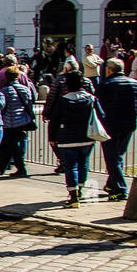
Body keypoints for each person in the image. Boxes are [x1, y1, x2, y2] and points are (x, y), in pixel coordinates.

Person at [46, 70, 106, 208]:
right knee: (83, 163)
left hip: (67, 138)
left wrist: (52, 137)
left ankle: (73, 195)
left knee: (70, 166)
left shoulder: (63, 100)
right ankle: (80, 188)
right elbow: (101, 115)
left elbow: (54, 121)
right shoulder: (91, 98)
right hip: (87, 136)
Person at [95, 57, 137, 201]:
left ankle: (121, 189)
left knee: (112, 158)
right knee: (118, 155)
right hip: (129, 125)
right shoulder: (136, 84)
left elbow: (98, 108)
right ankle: (111, 184)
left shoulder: (105, 85)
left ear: (109, 70)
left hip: (110, 125)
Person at [0, 64, 35, 178]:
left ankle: (20, 169)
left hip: (9, 122)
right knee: (12, 145)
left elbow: (2, 106)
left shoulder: (5, 90)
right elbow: (29, 103)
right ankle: (3, 167)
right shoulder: (25, 89)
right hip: (22, 121)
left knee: (11, 146)